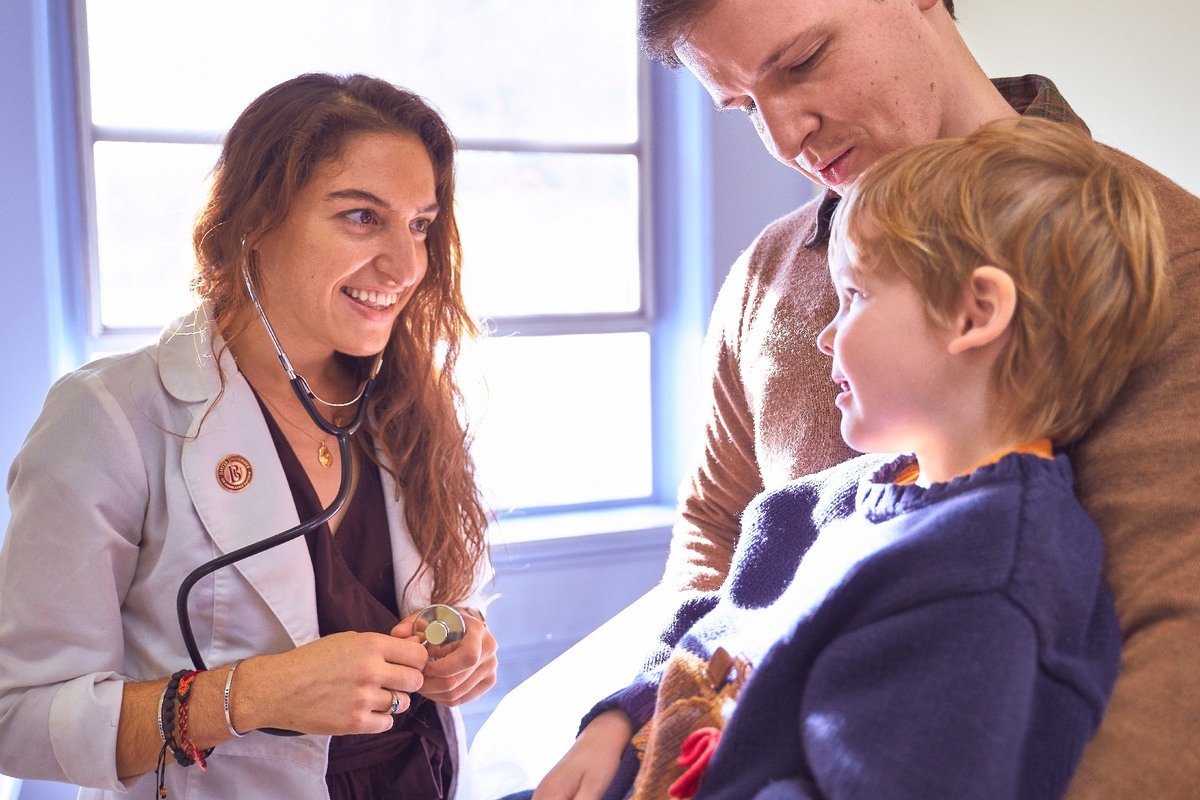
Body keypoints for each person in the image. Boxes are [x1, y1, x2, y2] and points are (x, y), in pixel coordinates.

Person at [637, 1, 1200, 796]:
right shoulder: (764, 271)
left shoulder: (1170, 257)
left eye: (801, 62)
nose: (784, 137)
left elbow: (1179, 647)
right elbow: (717, 525)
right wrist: (630, 714)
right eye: (742, 107)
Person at [525, 117, 1167, 800]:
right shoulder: (827, 499)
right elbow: (717, 627)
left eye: (855, 297)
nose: (827, 335)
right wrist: (619, 719)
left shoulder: (984, 579)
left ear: (976, 313)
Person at [0, 73, 497, 800]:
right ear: (254, 221)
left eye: (419, 223)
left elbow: (457, 593)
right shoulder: (113, 416)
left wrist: (464, 638)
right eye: (362, 217)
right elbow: (17, 716)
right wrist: (250, 695)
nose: (407, 265)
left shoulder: (407, 405)